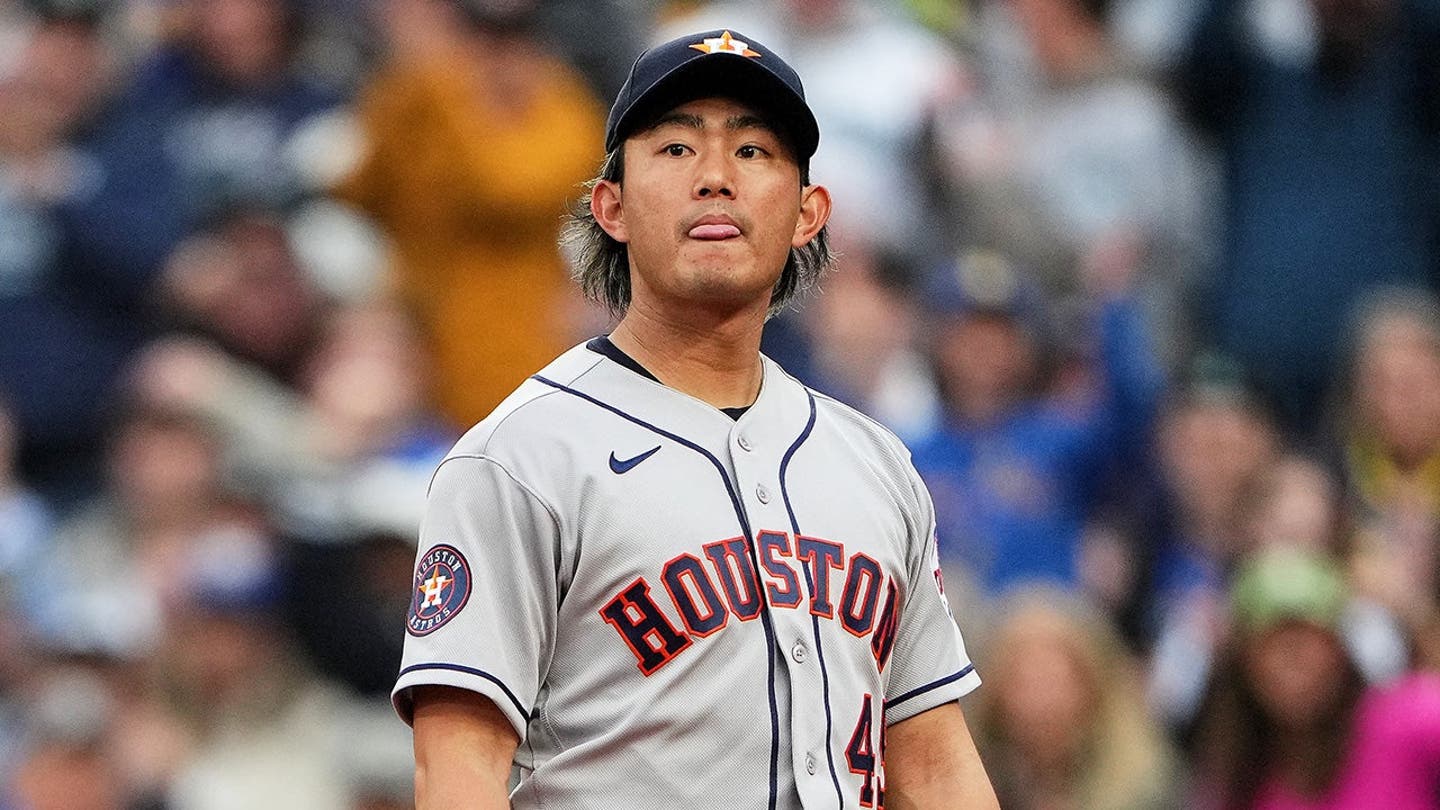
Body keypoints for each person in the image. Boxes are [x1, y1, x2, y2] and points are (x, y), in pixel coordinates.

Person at [392, 28, 998, 809]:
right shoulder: (521, 457)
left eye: (753, 151)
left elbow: (935, 765)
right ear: (610, 206)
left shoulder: (876, 463)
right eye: (676, 148)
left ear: (809, 212)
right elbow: (458, 766)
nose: (715, 177)